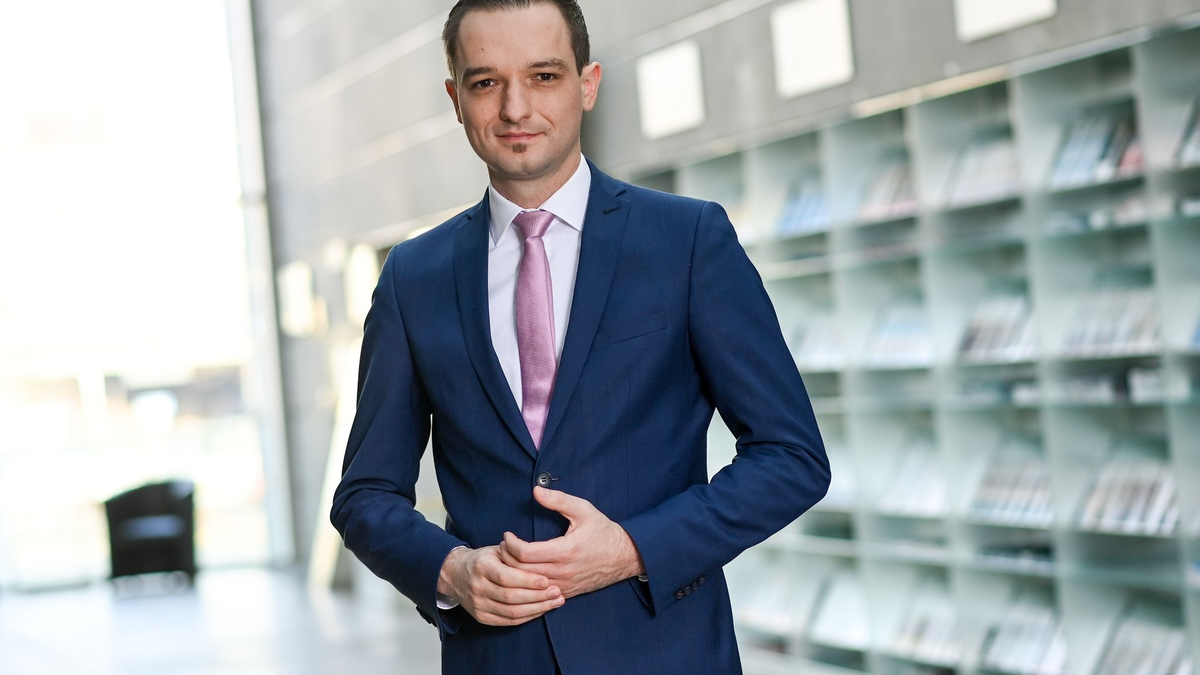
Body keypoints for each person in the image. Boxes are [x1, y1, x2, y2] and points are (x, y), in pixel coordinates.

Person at [330, 1, 830, 673]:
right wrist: (452, 571)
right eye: (486, 82)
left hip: (665, 654)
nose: (515, 108)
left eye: (543, 76)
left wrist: (632, 548)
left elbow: (792, 457)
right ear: (455, 100)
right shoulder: (412, 278)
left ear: (587, 84)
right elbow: (363, 495)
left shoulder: (687, 241)